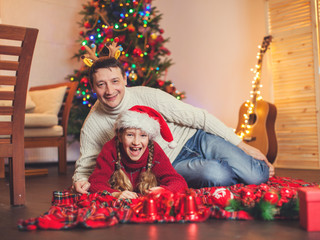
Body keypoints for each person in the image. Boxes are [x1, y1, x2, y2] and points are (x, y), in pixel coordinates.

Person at [73, 55, 274, 194]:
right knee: (217, 174)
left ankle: (247, 168)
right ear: (93, 87)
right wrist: (79, 181)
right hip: (171, 163)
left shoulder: (146, 95)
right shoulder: (93, 124)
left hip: (196, 139)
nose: (110, 90)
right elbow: (87, 162)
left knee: (256, 175)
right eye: (101, 84)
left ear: (125, 80)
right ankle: (234, 169)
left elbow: (199, 117)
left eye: (115, 81)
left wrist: (241, 145)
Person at [88, 105, 188, 198]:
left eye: (143, 135)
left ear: (149, 138)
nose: (136, 142)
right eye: (130, 135)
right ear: (120, 136)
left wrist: (164, 190)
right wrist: (115, 194)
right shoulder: (110, 149)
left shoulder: (154, 150)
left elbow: (178, 182)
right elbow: (95, 184)